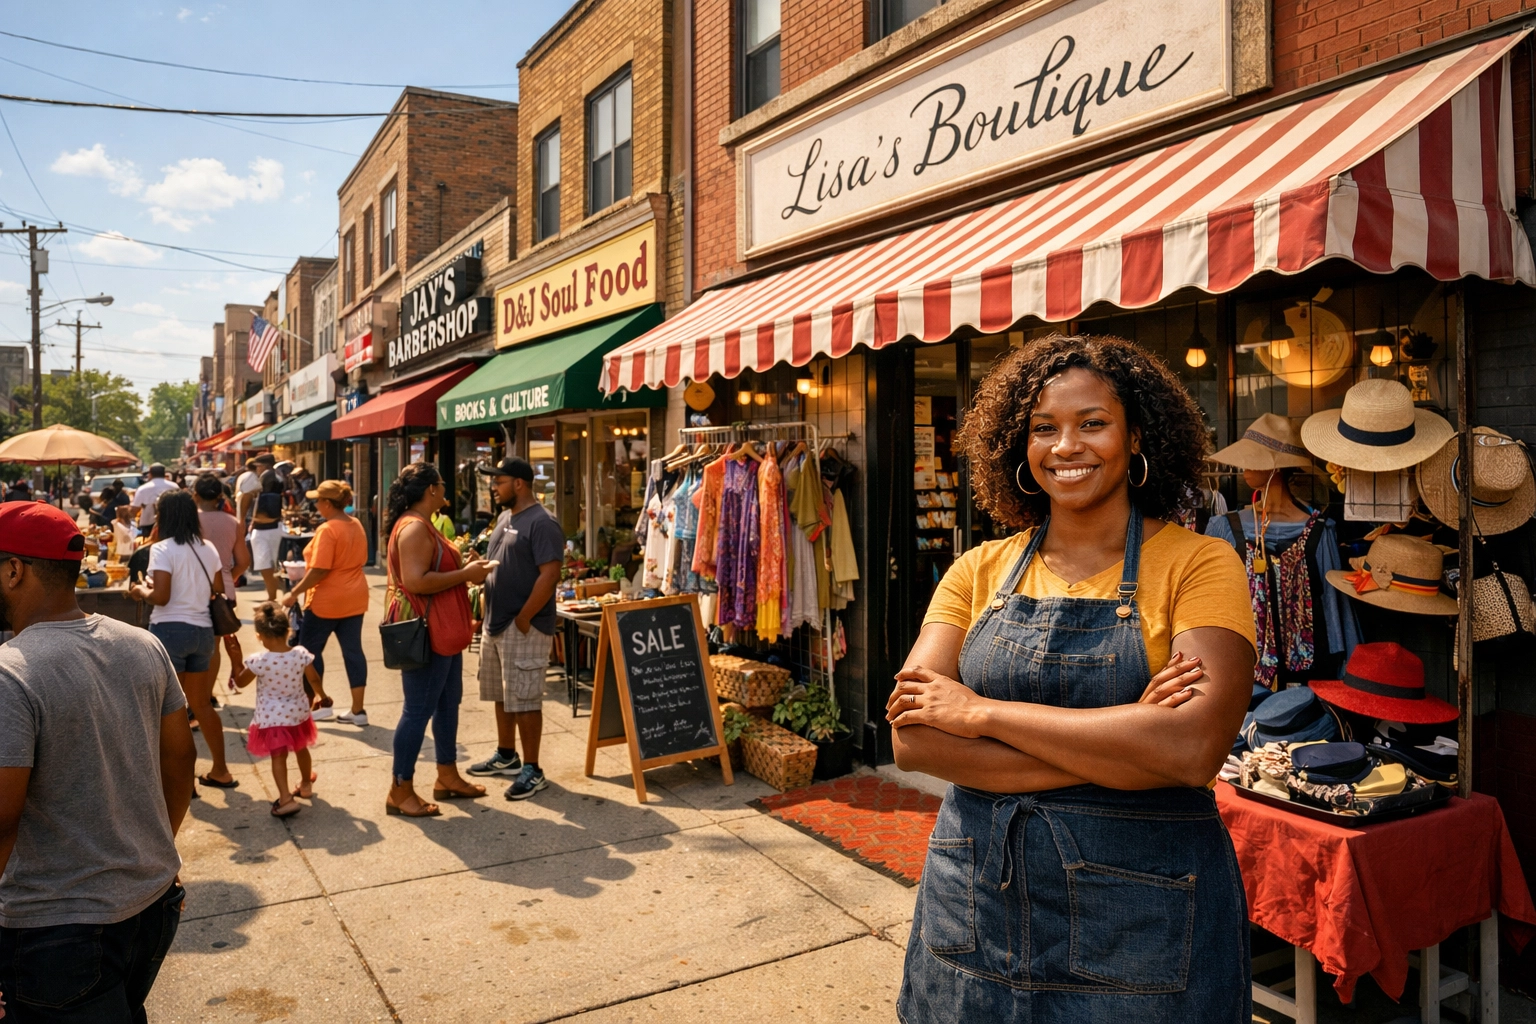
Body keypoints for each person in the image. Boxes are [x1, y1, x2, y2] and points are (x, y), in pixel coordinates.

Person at [888, 335, 1257, 1023]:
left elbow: (1189, 750)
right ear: (1017, 447)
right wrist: (1121, 745)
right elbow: (914, 743)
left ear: (1136, 435)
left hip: (1143, 919)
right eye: (1043, 429)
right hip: (974, 905)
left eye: (1093, 423)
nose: (1066, 447)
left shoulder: (1201, 566)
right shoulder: (977, 570)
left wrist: (981, 714)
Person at [0, 501, 196, 1022]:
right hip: (150, 902)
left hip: (53, 930)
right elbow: (180, 762)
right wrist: (147, 852)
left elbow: (1, 821)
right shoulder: (143, 645)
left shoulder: (9, 673)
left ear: (14, 570)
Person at [384, 462, 493, 817]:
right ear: (431, 489)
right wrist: (466, 574)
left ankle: (447, 775)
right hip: (427, 633)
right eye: (443, 484)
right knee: (417, 712)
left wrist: (466, 571)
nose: (446, 490)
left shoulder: (423, 525)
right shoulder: (414, 528)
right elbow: (415, 581)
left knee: (447, 704)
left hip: (442, 631)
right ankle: (400, 789)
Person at [130, 489, 239, 792]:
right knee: (201, 705)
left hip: (170, 632)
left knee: (171, 711)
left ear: (164, 516)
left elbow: (161, 597)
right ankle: (221, 770)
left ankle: (183, 782)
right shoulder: (207, 548)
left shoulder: (162, 549)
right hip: (202, 632)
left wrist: (140, 591)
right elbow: (216, 587)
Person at [467, 458, 563, 800]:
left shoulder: (542, 522)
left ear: (519, 483)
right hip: (496, 622)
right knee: (501, 695)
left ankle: (533, 770)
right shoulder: (506, 518)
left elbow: (550, 575)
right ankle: (507, 755)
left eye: (500, 481)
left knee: (524, 699)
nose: (494, 486)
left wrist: (524, 618)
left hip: (525, 626)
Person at [283, 480, 371, 726]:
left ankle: (317, 702)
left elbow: (320, 570)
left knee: (308, 651)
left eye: (318, 500)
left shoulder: (328, 529)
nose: (316, 504)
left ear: (327, 503)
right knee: (353, 651)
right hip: (355, 595)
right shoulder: (356, 524)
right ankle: (358, 710)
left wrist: (294, 592)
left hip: (326, 599)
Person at [234, 602, 325, 819]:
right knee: (301, 747)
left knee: (278, 756)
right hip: (298, 713)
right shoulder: (300, 654)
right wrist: (322, 694)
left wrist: (235, 659)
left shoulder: (259, 661)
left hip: (272, 718)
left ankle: (285, 798)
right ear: (288, 630)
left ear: (259, 636)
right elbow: (313, 677)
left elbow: (241, 682)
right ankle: (305, 784)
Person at [194, 472, 251, 691]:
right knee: (214, 645)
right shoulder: (233, 522)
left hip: (192, 588)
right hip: (223, 591)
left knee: (196, 646)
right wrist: (229, 577)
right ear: (220, 496)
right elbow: (243, 561)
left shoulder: (190, 520)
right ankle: (207, 695)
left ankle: (197, 696)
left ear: (196, 495)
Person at [248, 467, 289, 603]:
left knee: (264, 564)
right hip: (276, 528)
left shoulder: (262, 496)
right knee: (274, 562)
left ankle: (272, 594)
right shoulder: (278, 495)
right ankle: (277, 589)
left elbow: (257, 516)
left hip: (262, 530)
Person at [129, 464, 179, 539]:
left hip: (149, 526)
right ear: (164, 473)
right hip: (171, 524)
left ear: (150, 474)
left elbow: (135, 509)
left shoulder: (143, 489)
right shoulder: (174, 486)